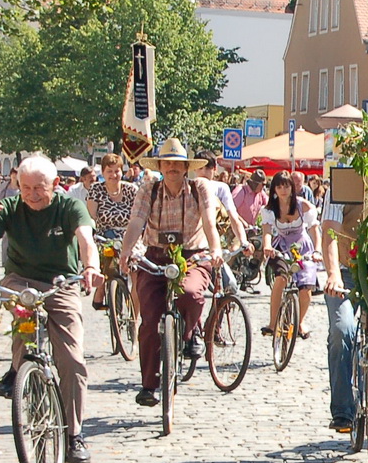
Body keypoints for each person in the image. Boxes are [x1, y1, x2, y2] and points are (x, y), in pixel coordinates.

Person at [0, 156, 101, 463]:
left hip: (60, 282)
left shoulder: (69, 207)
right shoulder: (11, 209)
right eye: (25, 187)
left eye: (39, 188)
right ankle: (19, 368)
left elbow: (85, 238)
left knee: (71, 359)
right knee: (24, 321)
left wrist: (91, 266)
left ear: (55, 184)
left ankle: (74, 433)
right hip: (21, 281)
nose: (31, 194)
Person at [121, 138, 221, 406]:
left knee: (190, 293)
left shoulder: (200, 188)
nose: (172, 168)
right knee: (150, 319)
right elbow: (136, 221)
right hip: (155, 256)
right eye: (167, 163)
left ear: (187, 167)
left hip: (192, 255)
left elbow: (210, 222)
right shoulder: (149, 190)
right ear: (161, 166)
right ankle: (149, 386)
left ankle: (191, 333)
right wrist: (126, 251)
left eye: (178, 164)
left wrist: (216, 249)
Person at [260, 171, 318, 339]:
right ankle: (272, 323)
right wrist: (267, 246)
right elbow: (267, 231)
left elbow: (314, 229)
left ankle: (300, 322)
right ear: (274, 190)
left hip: (302, 246)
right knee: (281, 278)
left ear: (292, 188)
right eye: (279, 186)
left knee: (306, 285)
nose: (283, 190)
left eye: (286, 186)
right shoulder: (270, 209)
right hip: (282, 246)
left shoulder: (303, 205)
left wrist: (317, 250)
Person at [319, 188, 358, 434]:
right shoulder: (342, 181)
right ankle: (343, 410)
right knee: (342, 330)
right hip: (346, 273)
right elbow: (330, 232)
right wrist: (333, 274)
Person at [84, 153, 136, 309]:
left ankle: (134, 311)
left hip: (129, 235)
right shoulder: (96, 189)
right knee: (108, 262)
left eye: (117, 171)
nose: (114, 175)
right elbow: (91, 216)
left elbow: (139, 214)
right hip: (104, 234)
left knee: (138, 270)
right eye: (109, 171)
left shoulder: (131, 189)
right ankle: (101, 290)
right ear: (103, 172)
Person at [198, 154, 251, 292]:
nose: (203, 172)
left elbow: (233, 217)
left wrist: (243, 241)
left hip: (214, 243)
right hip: (194, 245)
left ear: (214, 169)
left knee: (230, 286)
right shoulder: (189, 185)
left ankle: (219, 311)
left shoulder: (220, 188)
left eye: (207, 168)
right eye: (199, 168)